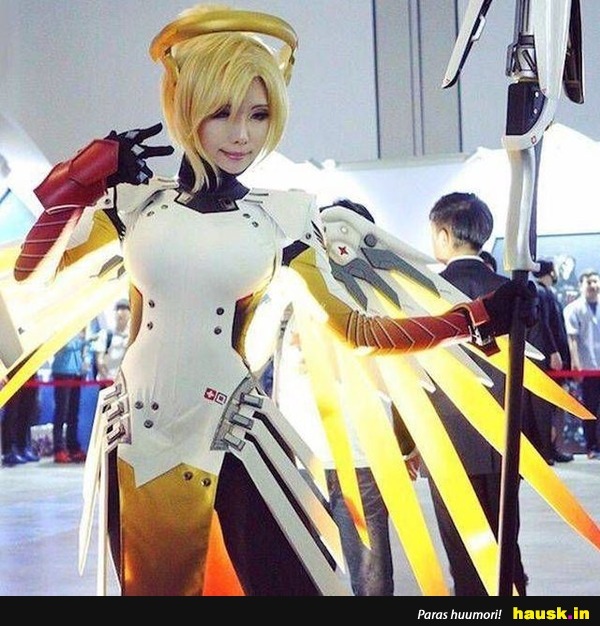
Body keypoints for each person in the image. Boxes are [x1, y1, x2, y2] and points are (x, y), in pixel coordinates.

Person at [11, 5, 531, 596]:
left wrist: (473, 317)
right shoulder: (135, 206)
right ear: (187, 108)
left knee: (290, 586)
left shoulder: (281, 221)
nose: (242, 135)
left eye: (258, 115)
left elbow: (356, 329)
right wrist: (79, 180)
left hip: (235, 431)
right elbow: (32, 270)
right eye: (222, 112)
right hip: (139, 435)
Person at [426, 191, 528, 596]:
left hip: (445, 439)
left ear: (443, 235)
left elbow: (412, 369)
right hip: (504, 438)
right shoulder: (512, 291)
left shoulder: (425, 292)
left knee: (463, 551)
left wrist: (408, 441)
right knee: (506, 545)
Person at [527, 260, 573, 464]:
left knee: (552, 407)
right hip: (548, 358)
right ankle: (546, 450)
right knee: (544, 408)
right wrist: (553, 352)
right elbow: (544, 324)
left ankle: (551, 449)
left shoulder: (546, 292)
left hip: (554, 357)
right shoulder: (540, 292)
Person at [563, 269, 600, 460]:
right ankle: (591, 447)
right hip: (588, 368)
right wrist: (576, 365)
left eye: (596, 282)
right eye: (589, 282)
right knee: (590, 409)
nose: (593, 286)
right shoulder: (573, 309)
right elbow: (572, 339)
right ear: (581, 285)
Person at [51, 329, 90, 464]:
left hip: (76, 372)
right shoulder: (61, 327)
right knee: (61, 412)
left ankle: (72, 447)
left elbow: (80, 348)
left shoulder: (79, 329)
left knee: (73, 412)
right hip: (62, 372)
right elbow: (65, 345)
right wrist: (83, 340)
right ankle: (58, 449)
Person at [1, 374, 40, 467]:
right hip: (13, 372)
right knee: (12, 411)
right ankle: (9, 450)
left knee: (27, 410)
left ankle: (22, 446)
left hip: (29, 371)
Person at [92, 298, 131, 386]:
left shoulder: (132, 337)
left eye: (124, 308)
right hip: (106, 384)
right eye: (118, 309)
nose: (120, 312)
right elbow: (99, 360)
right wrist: (108, 381)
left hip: (125, 385)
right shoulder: (105, 335)